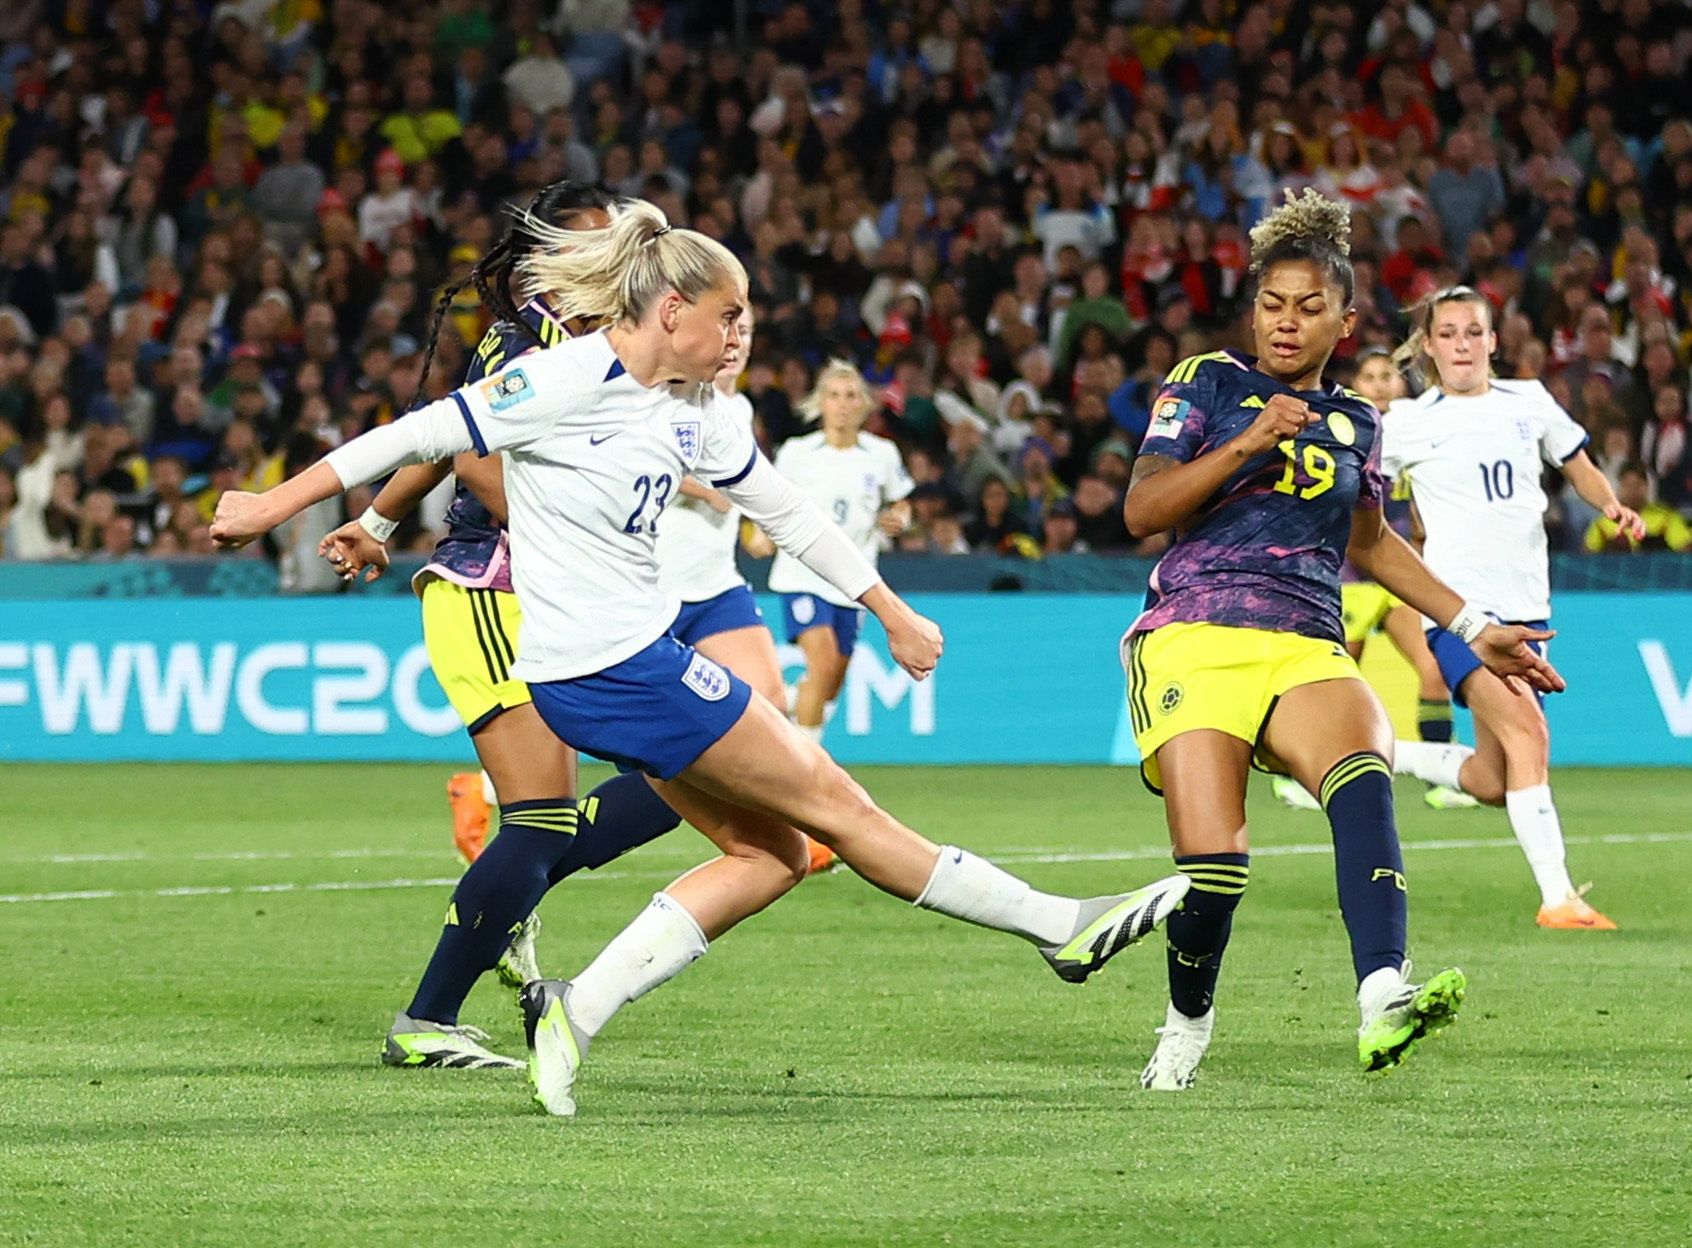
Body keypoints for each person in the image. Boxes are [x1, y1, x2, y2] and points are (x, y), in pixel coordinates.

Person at [213, 199, 1189, 1116]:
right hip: (613, 669)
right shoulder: (560, 380)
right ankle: (1058, 928)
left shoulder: (700, 411)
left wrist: (888, 607)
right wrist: (271, 508)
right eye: (728, 316)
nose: (738, 336)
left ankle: (576, 1008)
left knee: (774, 853)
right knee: (835, 809)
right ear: (669, 309)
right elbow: (421, 432)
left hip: (623, 664)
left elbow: (786, 512)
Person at [1117, 191, 1563, 1091]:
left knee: (1364, 776)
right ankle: (1186, 1022)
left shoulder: (1359, 422)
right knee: (1213, 868)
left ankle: (1382, 994)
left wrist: (1475, 626)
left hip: (1307, 639)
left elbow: (1370, 545)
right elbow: (1142, 510)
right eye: (1272, 305)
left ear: (1346, 320)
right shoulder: (1204, 381)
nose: (1286, 323)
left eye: (1308, 307)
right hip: (1193, 636)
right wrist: (1246, 440)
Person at [314, 182, 723, 1069]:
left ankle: (501, 901)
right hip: (493, 591)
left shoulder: (605, 343)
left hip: (551, 599)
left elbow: (437, 441)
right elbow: (467, 453)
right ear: (553, 256)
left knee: (671, 786)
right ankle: (429, 1015)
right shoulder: (528, 336)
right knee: (542, 821)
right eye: (600, 240)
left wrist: (377, 524)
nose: (619, 253)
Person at [1384, 285, 1641, 932]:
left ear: (1493, 341)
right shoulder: (1406, 421)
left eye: (1473, 331)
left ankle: (1381, 751)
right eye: (1448, 334)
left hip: (1530, 608)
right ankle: (1558, 898)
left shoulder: (1528, 401)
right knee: (1529, 734)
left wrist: (1609, 505)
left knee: (1496, 779)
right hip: (1460, 613)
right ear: (1431, 347)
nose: (1462, 344)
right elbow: (1354, 488)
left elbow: (1576, 461)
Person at [653, 307, 837, 875]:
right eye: (727, 328)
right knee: (630, 745)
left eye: (746, 332)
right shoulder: (663, 394)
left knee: (770, 703)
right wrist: (705, 492)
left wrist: (748, 525)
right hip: (653, 587)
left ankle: (796, 832)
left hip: (715, 584)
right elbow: (638, 461)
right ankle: (487, 793)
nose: (735, 342)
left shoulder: (739, 407)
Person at [1271, 347, 1477, 814]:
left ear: (1402, 385)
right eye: (1370, 375)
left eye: (1389, 375)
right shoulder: (1345, 431)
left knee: (1432, 670)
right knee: (1333, 684)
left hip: (1396, 577)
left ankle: (1439, 781)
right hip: (1348, 577)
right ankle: (1301, 775)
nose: (1381, 383)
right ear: (1356, 385)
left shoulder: (1417, 434)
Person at [770, 360, 915, 743]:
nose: (843, 404)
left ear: (865, 404)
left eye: (851, 396)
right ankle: (805, 770)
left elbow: (901, 503)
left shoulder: (881, 454)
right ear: (820, 402)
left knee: (832, 680)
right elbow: (769, 503)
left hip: (854, 579)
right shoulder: (797, 453)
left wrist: (898, 518)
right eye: (834, 395)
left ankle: (785, 707)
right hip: (801, 574)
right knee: (822, 662)